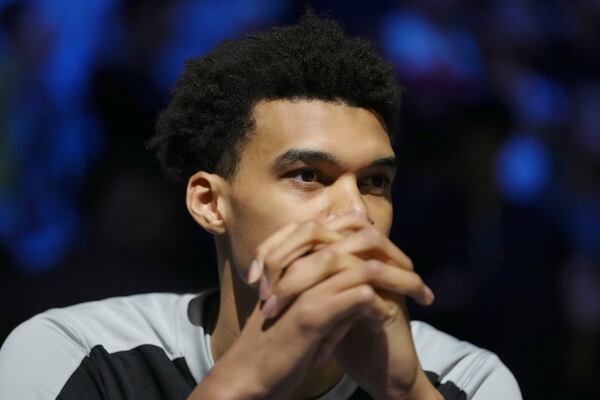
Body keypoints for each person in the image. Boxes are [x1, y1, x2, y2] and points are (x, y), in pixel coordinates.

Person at [0, 12, 522, 400]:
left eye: (375, 181)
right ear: (209, 203)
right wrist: (245, 381)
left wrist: (406, 391)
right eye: (307, 176)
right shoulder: (82, 355)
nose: (355, 213)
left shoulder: (463, 379)